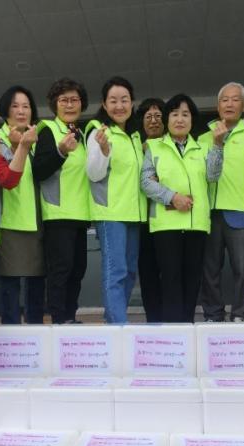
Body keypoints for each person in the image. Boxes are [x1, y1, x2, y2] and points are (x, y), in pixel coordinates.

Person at [141, 94, 222, 323]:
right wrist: (172, 197)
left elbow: (213, 176)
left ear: (192, 120)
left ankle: (187, 326)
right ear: (167, 119)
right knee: (171, 279)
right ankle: (173, 331)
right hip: (166, 225)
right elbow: (146, 182)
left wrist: (218, 145)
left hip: (197, 224)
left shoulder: (203, 147)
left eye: (185, 115)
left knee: (192, 279)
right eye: (175, 114)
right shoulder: (154, 147)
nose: (180, 119)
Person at [199, 82, 244, 322]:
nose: (229, 104)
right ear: (217, 106)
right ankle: (213, 314)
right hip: (208, 212)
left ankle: (241, 313)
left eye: (235, 99)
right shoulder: (203, 138)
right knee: (210, 269)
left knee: (243, 268)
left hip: (241, 209)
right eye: (224, 100)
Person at [86, 76, 146, 324]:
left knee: (129, 272)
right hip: (111, 215)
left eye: (124, 100)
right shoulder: (99, 132)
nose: (119, 106)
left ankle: (114, 319)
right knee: (116, 271)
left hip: (134, 214)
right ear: (104, 104)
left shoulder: (133, 137)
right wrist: (103, 151)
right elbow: (93, 174)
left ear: (132, 103)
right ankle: (118, 326)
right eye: (113, 101)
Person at [32, 78, 89, 324]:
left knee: (77, 271)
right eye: (64, 100)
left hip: (81, 215)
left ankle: (70, 318)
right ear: (54, 104)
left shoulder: (81, 134)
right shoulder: (47, 129)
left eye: (74, 100)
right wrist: (61, 151)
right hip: (58, 215)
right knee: (60, 272)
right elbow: (39, 170)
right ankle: (58, 321)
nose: (69, 105)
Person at [0, 85, 45, 324]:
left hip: (37, 220)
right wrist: (17, 147)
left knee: (37, 282)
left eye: (26, 106)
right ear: (5, 110)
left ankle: (35, 333)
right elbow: (6, 178)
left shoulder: (38, 138)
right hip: (8, 221)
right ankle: (10, 334)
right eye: (15, 106)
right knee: (9, 283)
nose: (21, 111)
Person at [136, 97, 166, 323]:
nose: (154, 121)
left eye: (158, 116)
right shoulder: (136, 148)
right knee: (148, 274)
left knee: (170, 273)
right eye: (149, 117)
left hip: (169, 220)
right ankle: (153, 321)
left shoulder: (172, 146)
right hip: (143, 220)